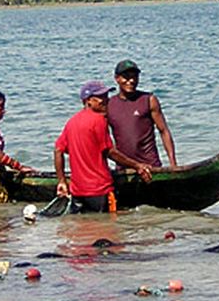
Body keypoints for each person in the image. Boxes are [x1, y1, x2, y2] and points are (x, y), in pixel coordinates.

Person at [55, 80, 154, 213]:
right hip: (99, 189)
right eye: (101, 97)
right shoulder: (98, 120)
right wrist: (138, 166)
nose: (106, 100)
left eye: (106, 96)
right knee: (108, 229)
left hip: (77, 191)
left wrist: (62, 181)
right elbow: (110, 152)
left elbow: (58, 150)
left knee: (85, 229)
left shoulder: (72, 122)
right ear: (88, 101)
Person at [107, 59, 178, 168]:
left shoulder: (149, 100)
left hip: (150, 164)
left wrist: (173, 163)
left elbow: (163, 131)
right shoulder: (109, 105)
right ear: (117, 78)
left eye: (134, 77)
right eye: (126, 77)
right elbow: (102, 139)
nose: (131, 81)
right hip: (124, 167)